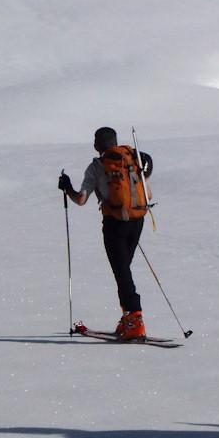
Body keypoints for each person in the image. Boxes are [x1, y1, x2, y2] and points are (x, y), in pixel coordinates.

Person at [59, 127, 153, 340]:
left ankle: (135, 321)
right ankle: (128, 317)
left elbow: (81, 200)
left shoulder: (97, 166)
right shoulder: (132, 159)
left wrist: (67, 188)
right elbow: (147, 193)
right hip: (138, 219)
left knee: (121, 272)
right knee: (123, 270)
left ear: (96, 146)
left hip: (115, 223)